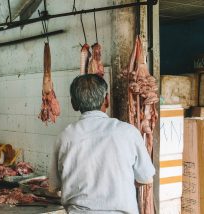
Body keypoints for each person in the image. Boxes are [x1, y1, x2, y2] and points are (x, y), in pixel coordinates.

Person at [47, 74, 155, 213]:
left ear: (73, 104)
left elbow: (54, 187)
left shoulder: (65, 137)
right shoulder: (128, 132)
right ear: (107, 100)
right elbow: (145, 178)